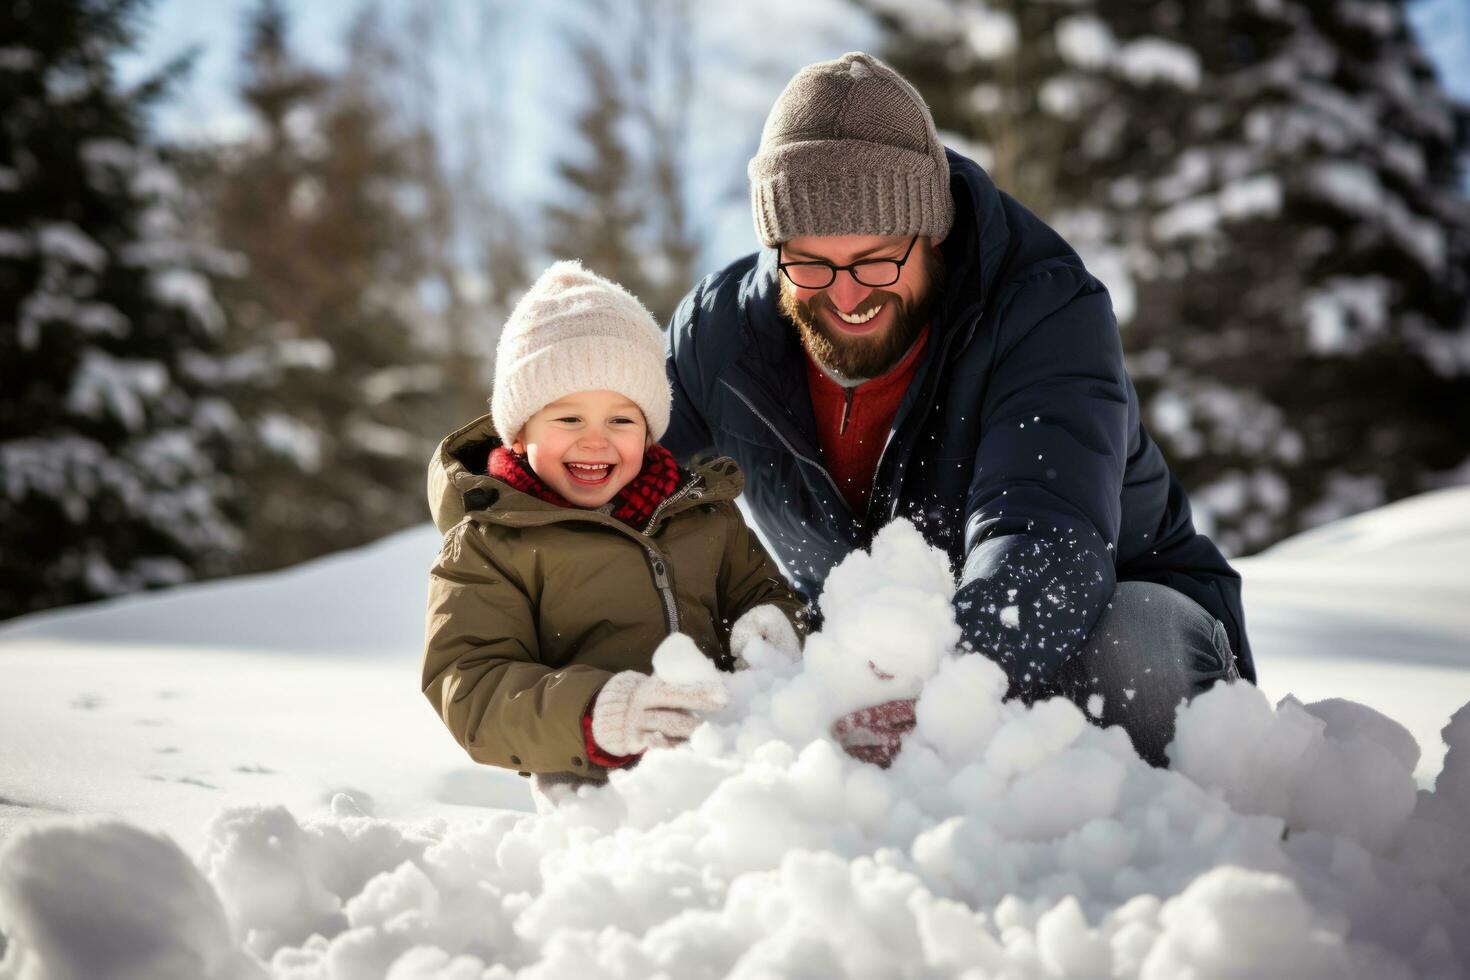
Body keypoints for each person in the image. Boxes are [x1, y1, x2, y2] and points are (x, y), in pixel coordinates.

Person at [663, 52, 1251, 768]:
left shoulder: (1045, 311)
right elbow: (616, 486)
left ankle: (1176, 849)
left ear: (932, 232)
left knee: (1143, 640)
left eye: (876, 260)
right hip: (873, 671)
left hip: (1082, 635)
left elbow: (1042, 537)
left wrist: (943, 696)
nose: (846, 298)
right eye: (810, 264)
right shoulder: (720, 336)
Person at [422, 261, 805, 804]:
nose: (596, 442)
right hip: (596, 800)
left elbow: (762, 595)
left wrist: (773, 629)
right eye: (568, 419)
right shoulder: (492, 545)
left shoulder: (702, 514)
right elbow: (472, 687)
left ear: (650, 431)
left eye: (621, 421)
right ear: (519, 430)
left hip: (731, 774)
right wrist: (597, 713)